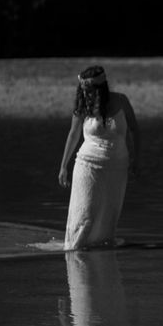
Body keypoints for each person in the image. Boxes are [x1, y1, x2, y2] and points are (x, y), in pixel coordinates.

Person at [59, 65, 141, 250]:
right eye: (84, 90)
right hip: (88, 165)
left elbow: (135, 130)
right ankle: (75, 252)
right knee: (85, 214)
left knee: (108, 215)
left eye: (90, 90)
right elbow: (73, 134)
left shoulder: (121, 101)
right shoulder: (83, 105)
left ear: (101, 88)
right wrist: (63, 166)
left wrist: (136, 160)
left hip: (117, 168)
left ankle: (101, 257)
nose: (87, 94)